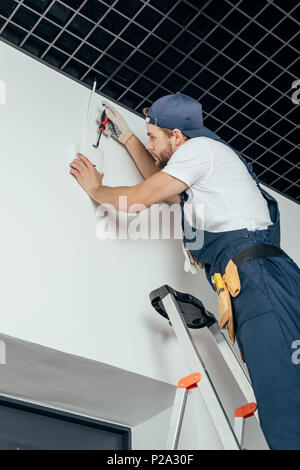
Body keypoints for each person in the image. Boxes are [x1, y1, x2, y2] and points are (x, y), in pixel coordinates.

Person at [69, 92, 300, 450]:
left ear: (177, 136)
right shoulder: (202, 170)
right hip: (260, 278)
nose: (150, 144)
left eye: (153, 137)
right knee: (282, 387)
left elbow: (144, 196)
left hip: (259, 279)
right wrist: (129, 138)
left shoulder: (199, 151)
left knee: (284, 396)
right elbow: (164, 189)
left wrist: (96, 188)